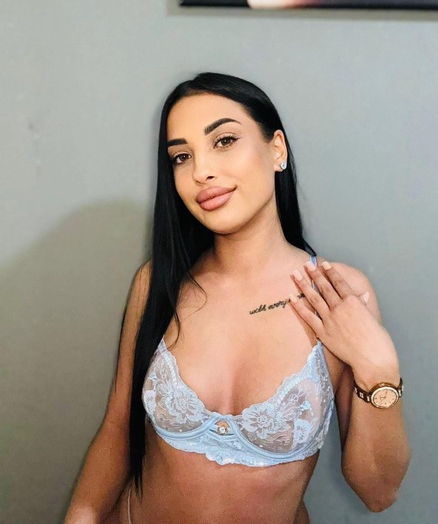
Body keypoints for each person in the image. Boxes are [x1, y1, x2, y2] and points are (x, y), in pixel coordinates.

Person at [65, 73, 410, 524]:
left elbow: (377, 492)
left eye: (224, 141)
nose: (200, 171)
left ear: (277, 149)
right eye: (182, 156)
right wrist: (80, 517)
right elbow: (117, 431)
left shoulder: (339, 294)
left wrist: (379, 366)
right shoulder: (158, 283)